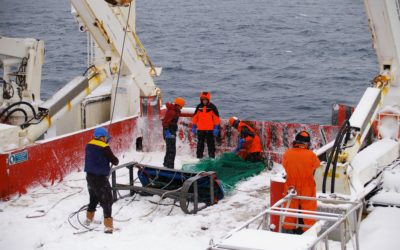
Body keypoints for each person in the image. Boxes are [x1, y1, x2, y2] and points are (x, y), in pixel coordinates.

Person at [282, 131, 321, 234]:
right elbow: (317, 165)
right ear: (307, 144)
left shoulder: (287, 153)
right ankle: (309, 233)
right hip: (307, 185)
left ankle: (288, 232)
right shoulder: (311, 154)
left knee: (290, 209)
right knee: (309, 210)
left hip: (290, 185)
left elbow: (284, 165)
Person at [84, 127, 119, 234]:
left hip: (89, 177)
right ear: (102, 137)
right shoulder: (105, 147)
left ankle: (88, 219)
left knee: (93, 198)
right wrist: (114, 159)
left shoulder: (88, 145)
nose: (107, 139)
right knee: (107, 200)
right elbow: (115, 161)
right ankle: (108, 226)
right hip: (100, 179)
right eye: (106, 137)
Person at [192, 92, 220, 159]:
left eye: (205, 99)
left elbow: (216, 118)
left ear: (208, 99)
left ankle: (212, 158)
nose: (204, 101)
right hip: (200, 129)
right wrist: (194, 125)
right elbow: (195, 117)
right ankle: (199, 158)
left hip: (210, 129)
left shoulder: (212, 107)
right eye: (203, 99)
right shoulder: (199, 107)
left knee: (211, 145)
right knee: (200, 145)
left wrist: (216, 127)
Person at [162, 97, 185, 169]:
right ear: (179, 105)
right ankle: (170, 167)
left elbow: (172, 121)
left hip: (171, 131)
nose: (181, 108)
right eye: (181, 106)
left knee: (170, 150)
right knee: (171, 151)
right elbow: (165, 122)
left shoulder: (175, 110)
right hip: (169, 132)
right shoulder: (172, 111)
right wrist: (167, 132)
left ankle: (166, 165)